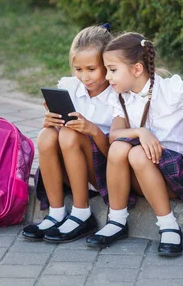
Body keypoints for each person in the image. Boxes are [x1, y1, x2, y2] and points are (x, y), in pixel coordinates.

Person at [86, 32, 183, 256]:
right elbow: (114, 135)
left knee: (136, 154)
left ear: (136, 69)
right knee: (119, 147)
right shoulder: (122, 97)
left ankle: (169, 226)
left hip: (180, 175)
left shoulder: (170, 89)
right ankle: (117, 221)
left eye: (113, 70)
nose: (107, 77)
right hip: (146, 173)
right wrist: (140, 131)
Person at [22, 25, 115, 243]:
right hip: (71, 170)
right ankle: (56, 213)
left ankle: (82, 214)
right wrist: (50, 123)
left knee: (69, 135)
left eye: (91, 69)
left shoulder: (117, 95)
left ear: (107, 65)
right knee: (47, 135)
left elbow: (114, 154)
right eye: (78, 69)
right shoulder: (69, 87)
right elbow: (53, 133)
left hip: (104, 172)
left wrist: (92, 129)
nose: (84, 77)